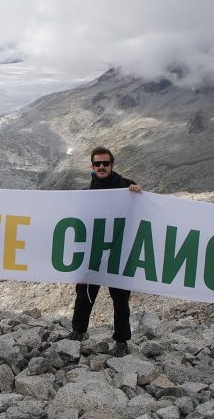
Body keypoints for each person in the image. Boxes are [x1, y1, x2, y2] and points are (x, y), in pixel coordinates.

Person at [69, 147, 142, 356]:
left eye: (105, 163)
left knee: (120, 299)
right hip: (94, 251)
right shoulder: (87, 192)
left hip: (119, 252)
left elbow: (142, 208)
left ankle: (121, 341)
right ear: (92, 166)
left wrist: (139, 193)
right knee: (85, 294)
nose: (101, 167)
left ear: (112, 165)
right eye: (97, 163)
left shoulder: (127, 186)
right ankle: (78, 332)